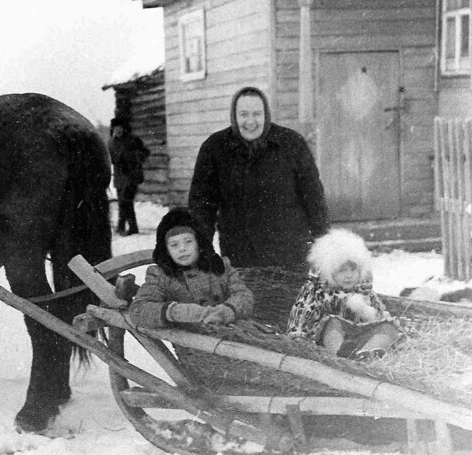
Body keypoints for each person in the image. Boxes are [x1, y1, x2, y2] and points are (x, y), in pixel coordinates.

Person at [188, 86, 329, 269]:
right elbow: (202, 205)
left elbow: (314, 199)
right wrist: (202, 250)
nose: (250, 122)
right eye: (244, 114)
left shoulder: (291, 143)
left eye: (257, 114)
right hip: (240, 255)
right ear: (234, 116)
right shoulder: (215, 148)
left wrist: (325, 246)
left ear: (266, 114)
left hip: (289, 255)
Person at [128, 208, 254, 329]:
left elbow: (244, 295)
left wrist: (227, 311)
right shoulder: (161, 275)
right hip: (194, 345)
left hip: (235, 334)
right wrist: (178, 312)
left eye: (188, 241)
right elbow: (139, 309)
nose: (182, 248)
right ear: (166, 250)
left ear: (199, 243)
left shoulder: (220, 266)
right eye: (174, 244)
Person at [286, 228, 402, 359]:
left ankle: (367, 353)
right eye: (342, 271)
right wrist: (298, 337)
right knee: (333, 322)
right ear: (330, 272)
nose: (349, 276)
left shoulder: (365, 292)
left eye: (353, 270)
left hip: (360, 339)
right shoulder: (317, 291)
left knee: (389, 327)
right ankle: (338, 354)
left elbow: (379, 315)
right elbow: (301, 314)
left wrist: (370, 313)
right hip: (326, 340)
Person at [108, 117, 150, 236]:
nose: (118, 130)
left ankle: (132, 228)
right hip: (119, 177)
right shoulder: (110, 142)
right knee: (123, 202)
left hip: (132, 176)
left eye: (120, 127)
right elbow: (109, 158)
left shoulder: (133, 140)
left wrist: (134, 156)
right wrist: (117, 158)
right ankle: (122, 227)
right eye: (116, 128)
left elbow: (145, 152)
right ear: (113, 129)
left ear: (123, 128)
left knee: (125, 201)